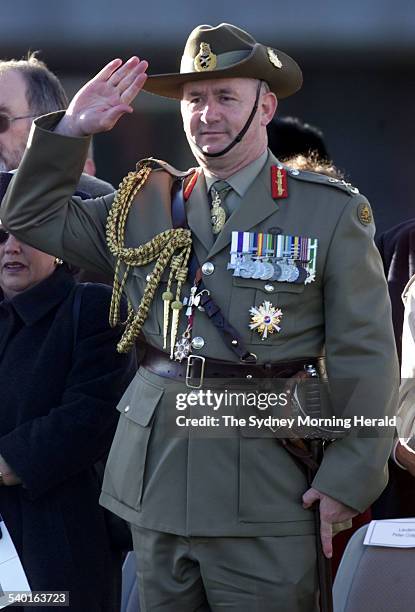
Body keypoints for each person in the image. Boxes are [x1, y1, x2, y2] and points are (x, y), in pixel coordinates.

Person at [0, 23, 398, 611]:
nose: (207, 114)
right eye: (194, 99)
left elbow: (364, 357)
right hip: (155, 485)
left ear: (265, 107)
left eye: (225, 97)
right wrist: (70, 130)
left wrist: (349, 478)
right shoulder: (145, 203)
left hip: (267, 488)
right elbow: (28, 216)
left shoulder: (328, 212)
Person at [0, 221, 135, 611]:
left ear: (59, 244)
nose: (11, 248)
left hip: (56, 539)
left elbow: (89, 416)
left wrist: (8, 462)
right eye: (0, 235)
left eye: (27, 235)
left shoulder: (94, 307)